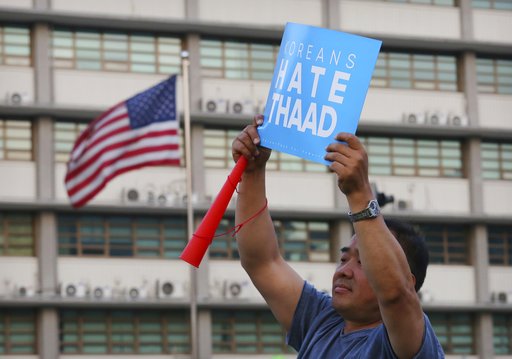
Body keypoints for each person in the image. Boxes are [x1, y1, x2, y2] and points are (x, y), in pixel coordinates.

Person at [231, 114, 445, 358]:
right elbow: (262, 262)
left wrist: (360, 193)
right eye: (344, 259)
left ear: (410, 281)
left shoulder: (408, 343)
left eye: (363, 262)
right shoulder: (321, 320)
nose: (344, 271)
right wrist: (252, 172)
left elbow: (396, 294)